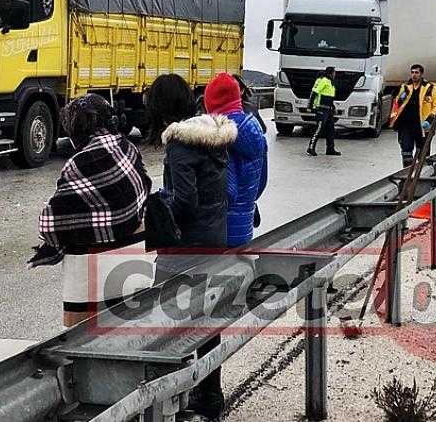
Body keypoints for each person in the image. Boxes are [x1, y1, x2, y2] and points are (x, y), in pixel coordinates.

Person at [145, 73, 236, 421]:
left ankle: (169, 399)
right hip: (215, 241)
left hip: (187, 248)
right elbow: (223, 193)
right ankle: (210, 395)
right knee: (206, 320)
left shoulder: (181, 144)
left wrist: (157, 205)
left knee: (164, 320)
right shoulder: (213, 138)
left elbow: (185, 202)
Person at [30, 94, 152, 327]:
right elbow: (145, 187)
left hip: (91, 278)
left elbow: (50, 225)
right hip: (134, 262)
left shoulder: (78, 164)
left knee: (81, 342)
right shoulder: (127, 146)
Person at [206, 73, 268, 246]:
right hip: (244, 226)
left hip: (221, 230)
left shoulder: (221, 138)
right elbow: (261, 182)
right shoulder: (256, 131)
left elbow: (227, 192)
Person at [389, 64, 436, 167]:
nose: (414, 75)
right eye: (412, 72)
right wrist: (394, 121)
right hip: (406, 125)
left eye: (416, 72)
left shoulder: (430, 88)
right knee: (406, 151)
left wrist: (430, 120)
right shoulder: (405, 87)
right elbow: (397, 104)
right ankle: (407, 175)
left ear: (421, 74)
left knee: (423, 154)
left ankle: (421, 175)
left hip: (422, 126)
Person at [307, 66, 340, 156]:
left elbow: (330, 98)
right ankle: (311, 148)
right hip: (321, 109)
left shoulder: (331, 83)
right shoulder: (324, 81)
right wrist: (310, 106)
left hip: (329, 110)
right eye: (334, 72)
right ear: (330, 73)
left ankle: (330, 149)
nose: (335, 74)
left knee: (331, 130)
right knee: (319, 129)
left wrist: (333, 107)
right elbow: (314, 92)